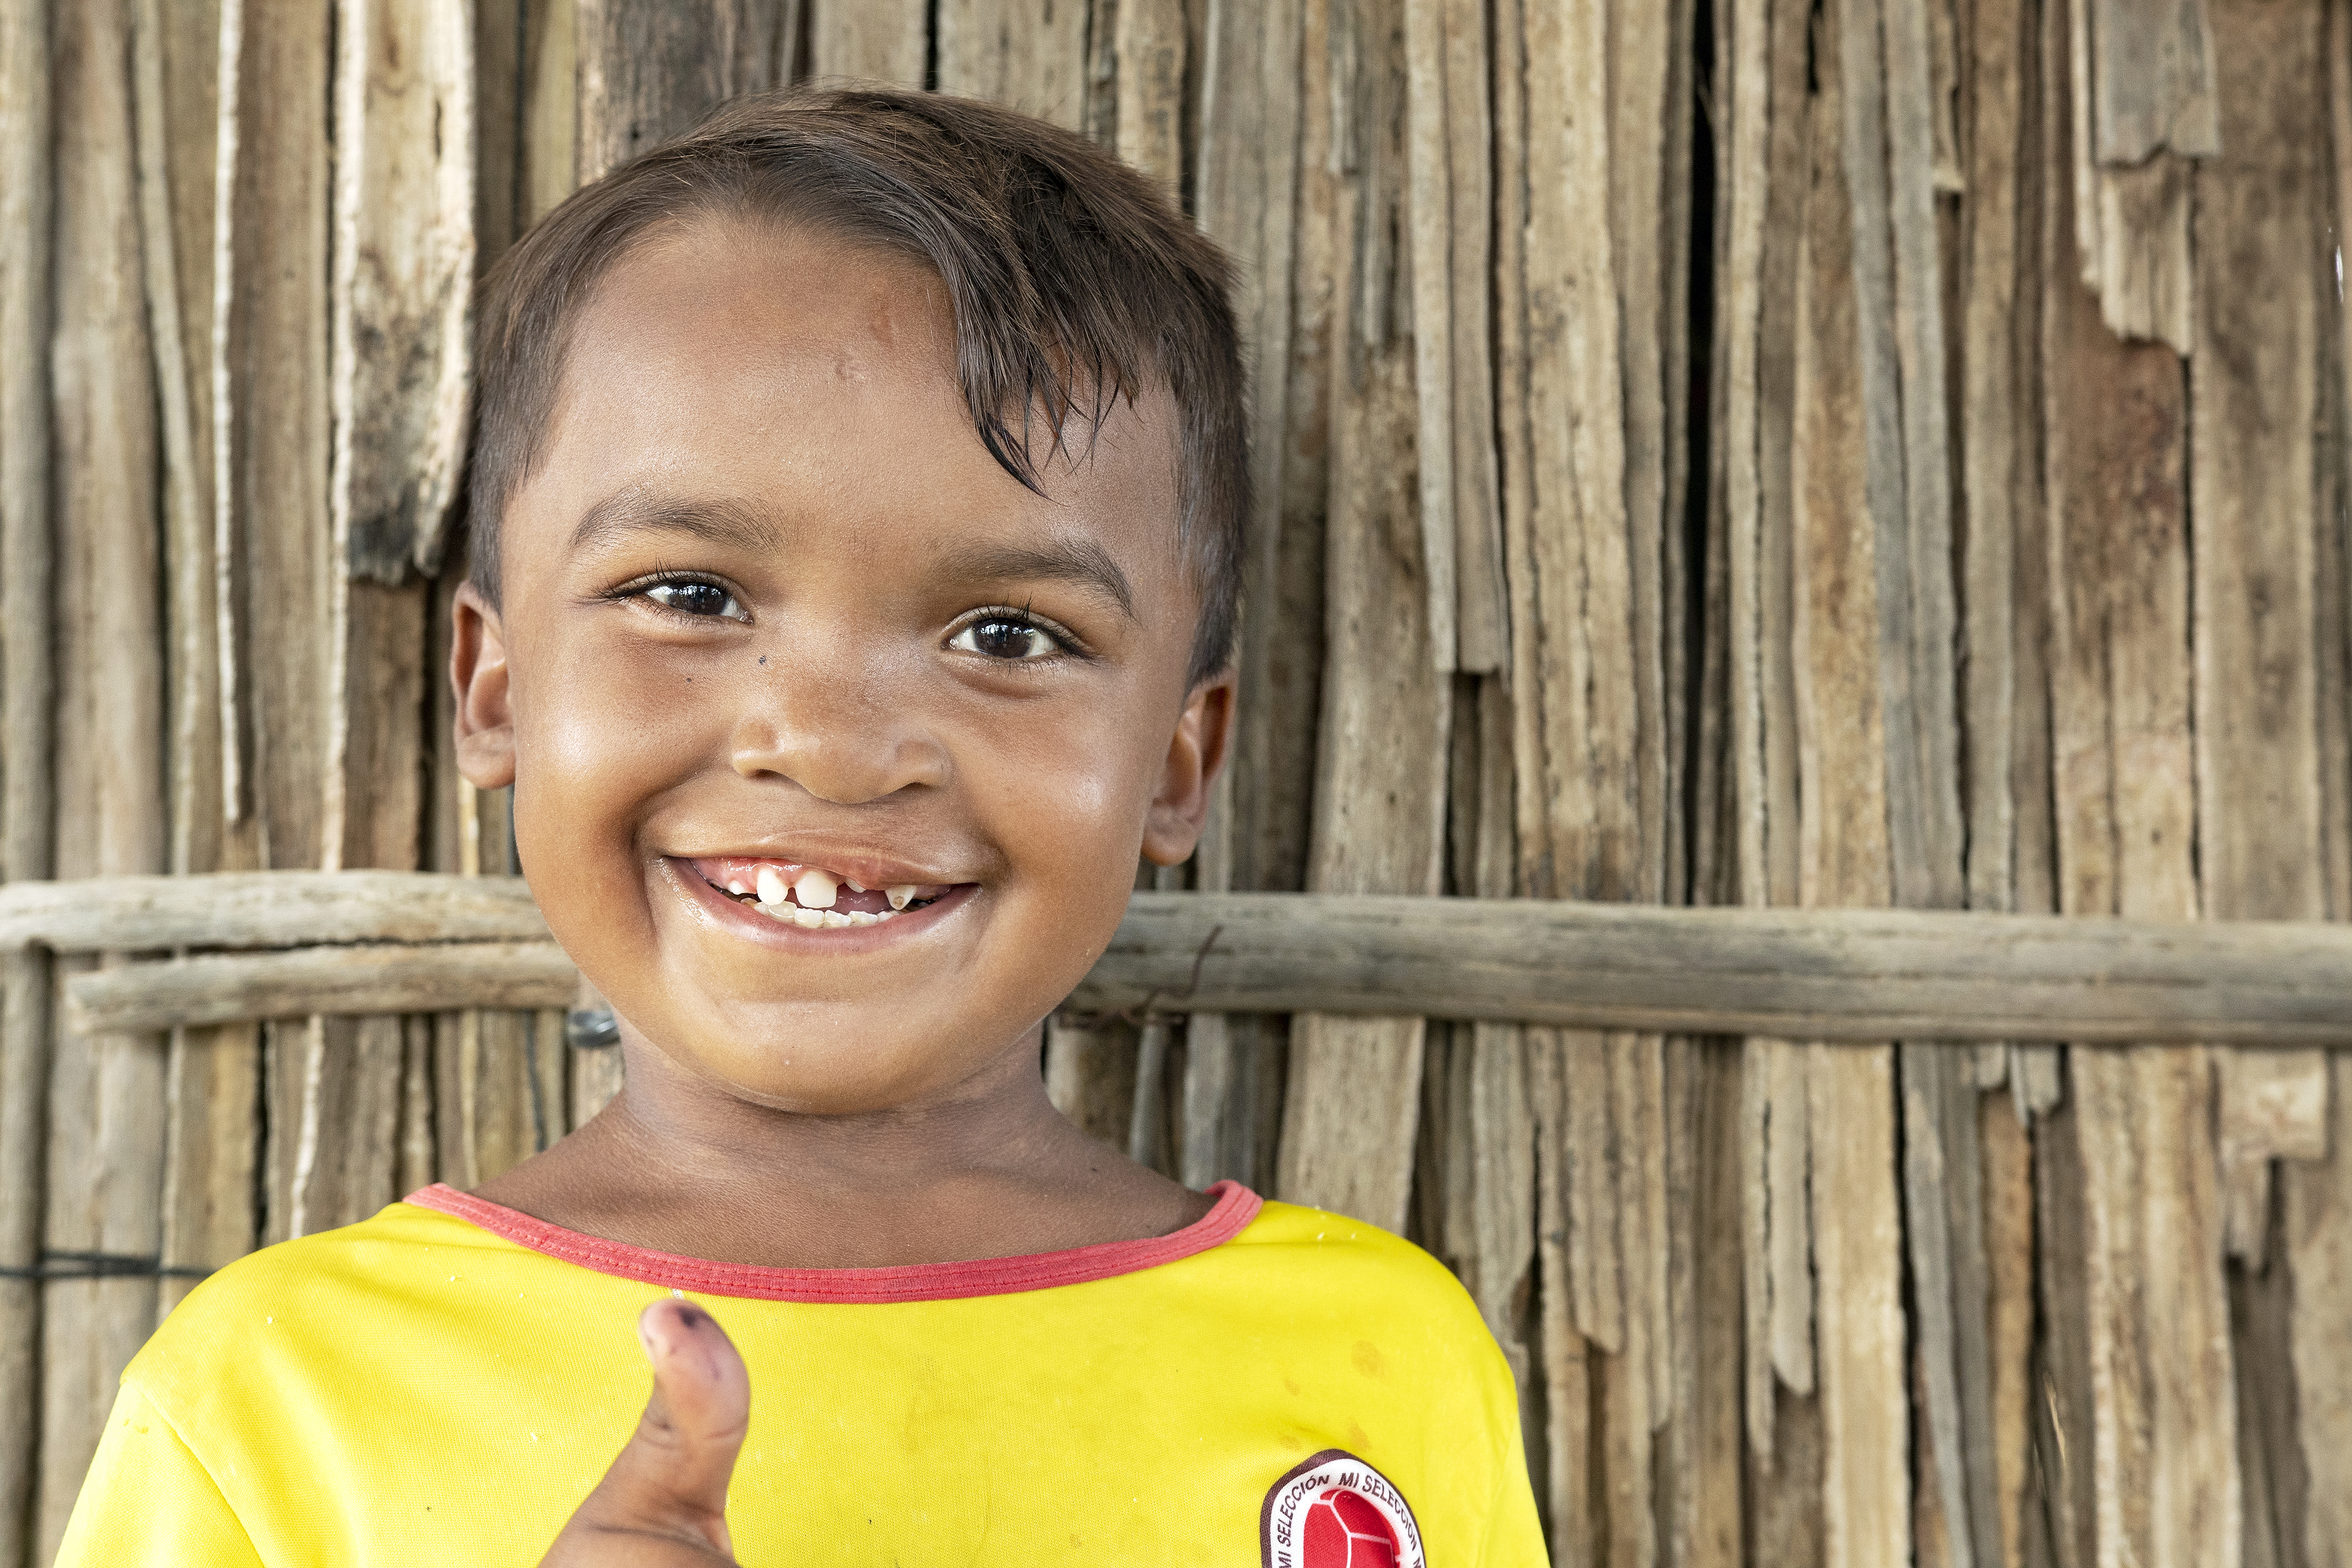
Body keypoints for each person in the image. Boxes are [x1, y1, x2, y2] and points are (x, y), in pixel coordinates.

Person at [57, 86, 1545, 1567]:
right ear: (495, 687)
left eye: (1010, 634)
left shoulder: (1379, 1361)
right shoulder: (278, 1402)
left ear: (1175, 762)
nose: (830, 751)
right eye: (691, 596)